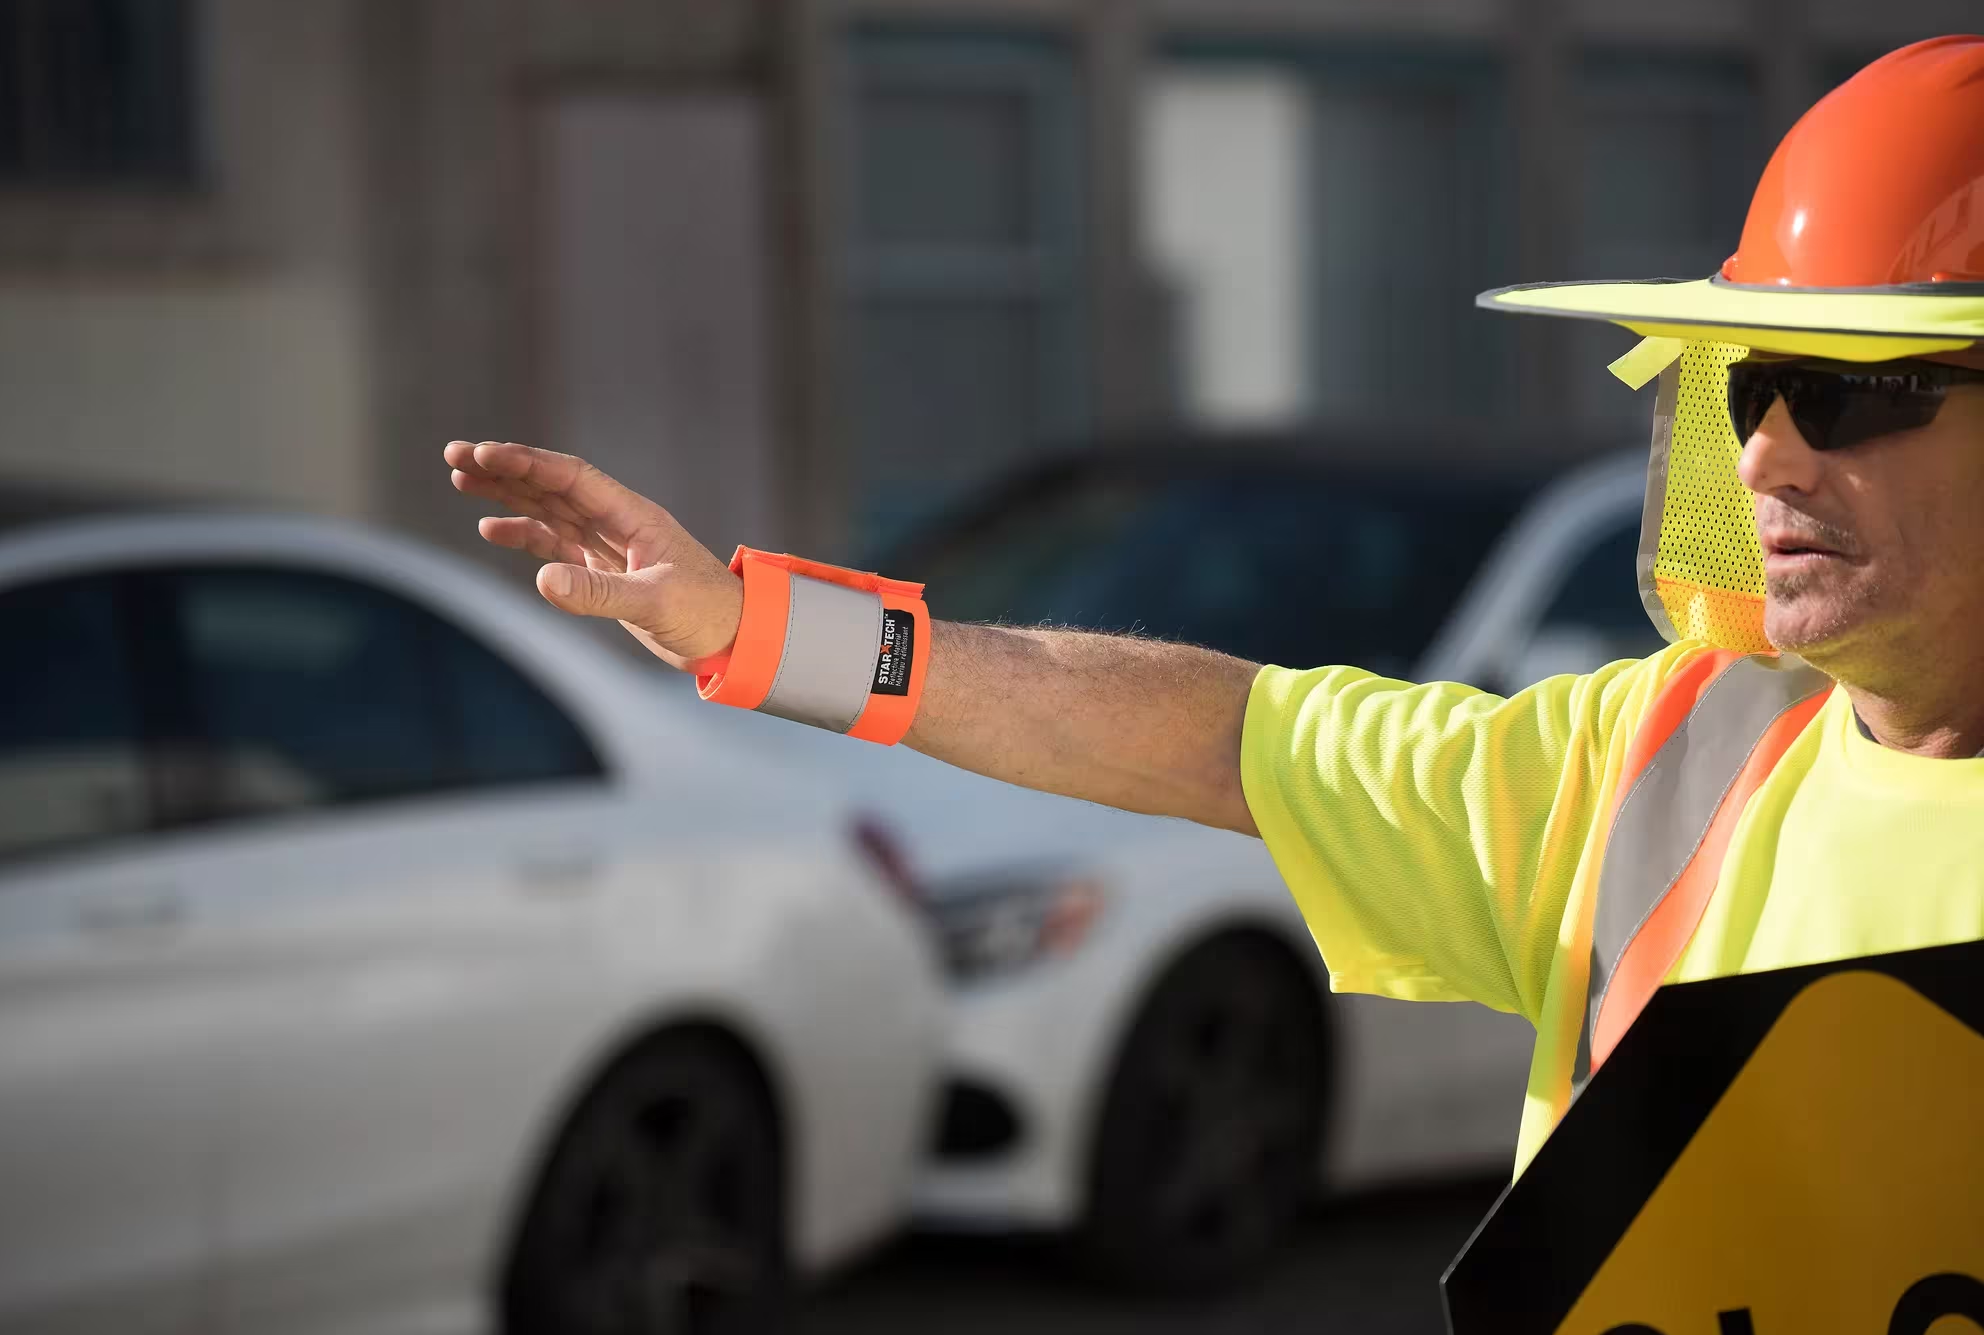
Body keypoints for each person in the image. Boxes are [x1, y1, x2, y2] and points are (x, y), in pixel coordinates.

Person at [446, 35, 1984, 1177]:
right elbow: (1212, 733)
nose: (1766, 453)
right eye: (1751, 384)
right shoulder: (1661, 765)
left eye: (1851, 390)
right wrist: (755, 630)